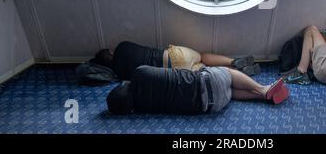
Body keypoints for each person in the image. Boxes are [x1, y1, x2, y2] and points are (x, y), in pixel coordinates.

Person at [106, 65, 289, 115]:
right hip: (209, 81)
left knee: (229, 93)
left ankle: (261, 97)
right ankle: (262, 89)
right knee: (228, 74)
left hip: (211, 106)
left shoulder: (141, 108)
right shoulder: (140, 72)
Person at [92, 41, 261, 80]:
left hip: (173, 72)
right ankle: (233, 61)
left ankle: (238, 73)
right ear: (111, 52)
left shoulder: (119, 74)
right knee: (202, 57)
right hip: (174, 55)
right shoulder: (122, 46)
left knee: (205, 70)